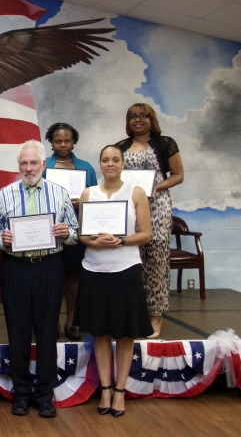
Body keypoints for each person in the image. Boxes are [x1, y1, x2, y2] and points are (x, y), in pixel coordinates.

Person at [0, 140, 78, 418]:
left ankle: (44, 394)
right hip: (15, 268)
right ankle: (21, 393)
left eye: (33, 163)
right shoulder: (4, 194)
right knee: (17, 333)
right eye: (24, 163)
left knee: (46, 333)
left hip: (48, 267)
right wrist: (1, 239)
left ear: (43, 164)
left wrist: (66, 232)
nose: (29, 168)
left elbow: (75, 232)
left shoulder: (60, 193)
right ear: (19, 166)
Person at [74, 145, 153, 418]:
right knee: (100, 332)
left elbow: (145, 234)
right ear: (100, 164)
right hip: (94, 269)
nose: (110, 164)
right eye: (105, 159)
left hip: (126, 269)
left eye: (115, 159)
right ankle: (105, 388)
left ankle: (120, 390)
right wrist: (93, 240)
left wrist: (121, 241)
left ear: (122, 164)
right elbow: (82, 236)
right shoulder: (88, 194)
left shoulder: (135, 193)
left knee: (125, 332)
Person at [116, 103, 184, 338]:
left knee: (156, 261)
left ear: (151, 119)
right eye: (133, 116)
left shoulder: (165, 144)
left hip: (158, 207)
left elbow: (178, 175)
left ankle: (155, 315)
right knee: (132, 260)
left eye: (143, 116)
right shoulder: (120, 147)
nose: (138, 120)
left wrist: (156, 187)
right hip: (130, 208)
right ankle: (134, 313)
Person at [44, 122, 98, 341]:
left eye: (67, 140)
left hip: (76, 230)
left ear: (74, 141)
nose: (63, 144)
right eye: (58, 141)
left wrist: (81, 204)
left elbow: (95, 199)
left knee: (74, 278)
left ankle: (72, 321)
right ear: (51, 142)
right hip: (49, 231)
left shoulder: (86, 168)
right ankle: (52, 321)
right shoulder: (44, 166)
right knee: (52, 279)